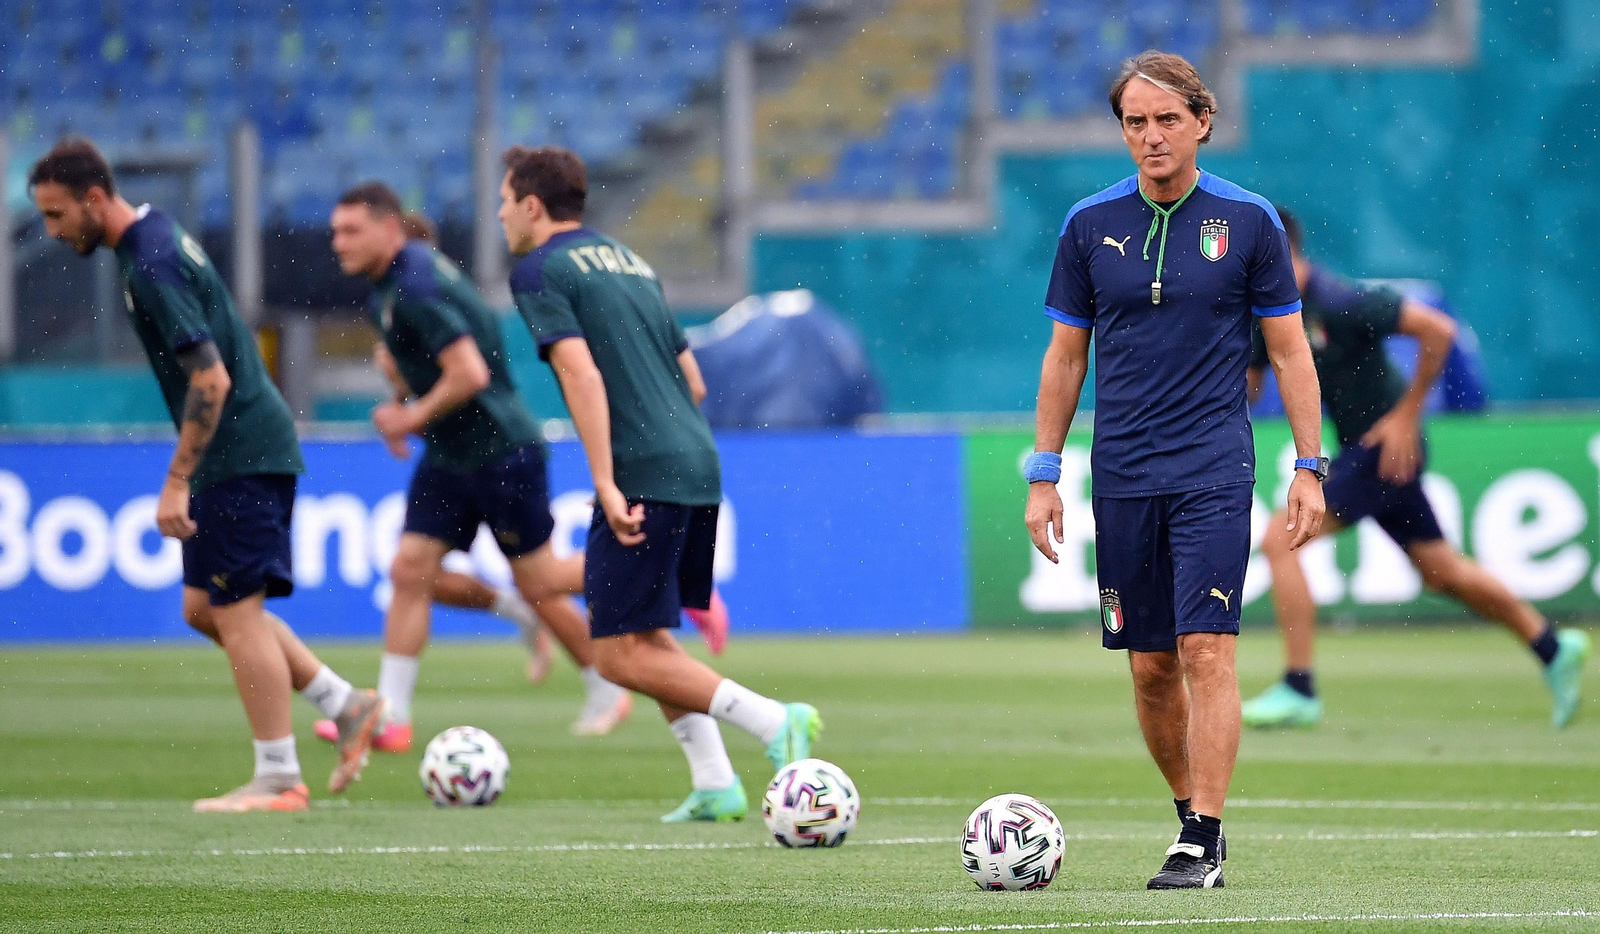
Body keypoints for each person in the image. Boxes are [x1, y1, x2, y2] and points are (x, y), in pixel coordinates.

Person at [1024, 53, 1326, 889]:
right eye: (1134, 122)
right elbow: (1063, 358)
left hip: (1214, 468)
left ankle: (1203, 833)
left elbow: (1290, 350)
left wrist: (1310, 464)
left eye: (1166, 120)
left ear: (1202, 122)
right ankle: (1191, 817)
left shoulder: (1250, 220)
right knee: (1151, 665)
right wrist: (1043, 473)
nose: (1150, 137)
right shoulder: (1088, 225)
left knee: (1206, 649)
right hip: (1120, 473)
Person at [28, 138, 385, 811]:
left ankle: (279, 777)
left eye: (55, 214)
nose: (51, 231)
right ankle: (346, 703)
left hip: (240, 451)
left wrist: (176, 479)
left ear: (94, 199)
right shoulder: (157, 232)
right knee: (204, 609)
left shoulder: (151, 265)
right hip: (242, 448)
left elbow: (211, 378)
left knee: (237, 612)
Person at [499, 144, 815, 823]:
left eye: (503, 201)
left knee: (614, 655)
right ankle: (714, 781)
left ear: (531, 204)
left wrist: (606, 482)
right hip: (694, 457)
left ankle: (771, 720)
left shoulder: (538, 270)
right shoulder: (630, 262)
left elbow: (581, 375)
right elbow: (693, 379)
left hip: (643, 468)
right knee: (646, 636)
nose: (500, 215)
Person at [1242, 209, 1591, 730]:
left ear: (1285, 253)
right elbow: (1247, 385)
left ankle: (1299, 687)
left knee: (1278, 539)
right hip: (1368, 454)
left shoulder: (1340, 301)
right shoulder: (1269, 312)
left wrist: (1408, 415)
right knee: (1441, 571)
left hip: (1385, 447)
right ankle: (1552, 645)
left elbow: (1438, 329)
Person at [325, 181, 632, 751]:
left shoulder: (414, 284)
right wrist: (405, 402)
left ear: (389, 229)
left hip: (499, 450)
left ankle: (649, 569)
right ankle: (391, 717)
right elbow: (421, 363)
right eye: (335, 231)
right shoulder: (390, 288)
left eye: (350, 230)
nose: (336, 243)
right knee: (411, 570)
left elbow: (470, 374)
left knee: (540, 580)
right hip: (451, 451)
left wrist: (409, 419)